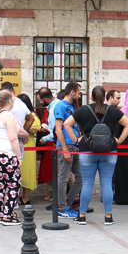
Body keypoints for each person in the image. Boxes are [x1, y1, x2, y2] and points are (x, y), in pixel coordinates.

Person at [64, 86, 128, 225]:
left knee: (87, 183)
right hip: (109, 151)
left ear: (92, 97)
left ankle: (82, 215)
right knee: (106, 183)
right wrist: (119, 140)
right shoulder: (113, 111)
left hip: (87, 150)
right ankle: (108, 216)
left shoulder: (83, 110)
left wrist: (76, 139)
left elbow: (66, 124)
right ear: (105, 96)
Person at [0, 90, 29, 225]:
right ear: (9, 101)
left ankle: (0, 214)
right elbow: (13, 138)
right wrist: (19, 157)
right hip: (7, 153)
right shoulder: (8, 116)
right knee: (14, 183)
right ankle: (8, 215)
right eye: (13, 99)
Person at [53, 82, 81, 219]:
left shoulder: (72, 107)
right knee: (63, 177)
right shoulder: (60, 106)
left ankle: (68, 204)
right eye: (79, 93)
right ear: (72, 92)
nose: (80, 95)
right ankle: (61, 207)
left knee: (80, 178)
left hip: (74, 145)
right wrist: (65, 150)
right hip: (66, 146)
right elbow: (58, 129)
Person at [16, 94, 40, 205]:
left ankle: (26, 197)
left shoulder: (32, 116)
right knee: (18, 172)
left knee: (27, 172)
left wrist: (23, 124)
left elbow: (34, 130)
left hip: (28, 145)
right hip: (19, 145)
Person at [37, 87, 60, 201]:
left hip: (56, 144)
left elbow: (55, 132)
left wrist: (44, 139)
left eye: (40, 100)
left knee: (60, 173)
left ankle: (59, 200)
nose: (40, 103)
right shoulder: (56, 106)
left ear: (45, 98)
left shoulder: (53, 109)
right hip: (58, 143)